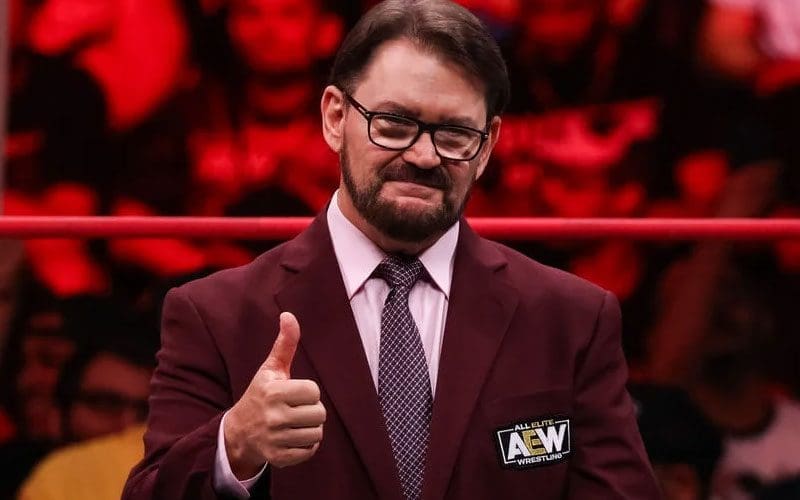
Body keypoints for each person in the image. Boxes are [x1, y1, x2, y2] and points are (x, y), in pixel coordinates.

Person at [123, 1, 658, 499]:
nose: (424, 156)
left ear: (488, 145)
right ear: (335, 118)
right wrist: (232, 446)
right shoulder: (214, 315)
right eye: (395, 125)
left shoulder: (571, 318)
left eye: (454, 134)